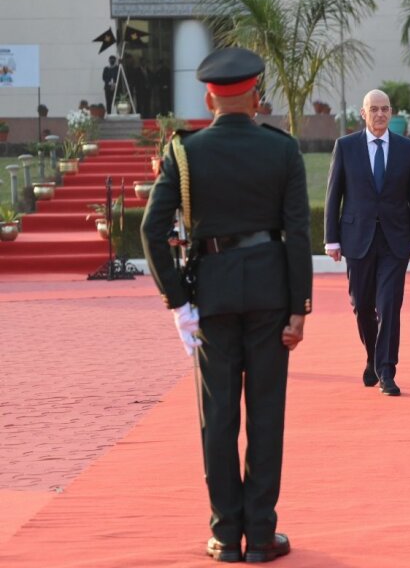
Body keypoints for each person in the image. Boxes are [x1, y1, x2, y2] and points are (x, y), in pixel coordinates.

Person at [140, 46, 312, 563]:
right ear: (256, 95)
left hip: (210, 292)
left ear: (209, 96)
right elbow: (298, 233)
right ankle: (260, 535)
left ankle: (224, 534)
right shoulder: (282, 150)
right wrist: (299, 306)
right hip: (269, 293)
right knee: (266, 413)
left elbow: (151, 229)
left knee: (217, 417)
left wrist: (177, 301)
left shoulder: (185, 152)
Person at [324, 89, 410, 395]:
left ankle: (386, 370)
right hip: (357, 239)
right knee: (362, 307)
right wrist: (332, 238)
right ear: (363, 114)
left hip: (395, 240)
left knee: (390, 306)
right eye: (375, 109)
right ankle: (372, 357)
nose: (381, 114)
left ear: (391, 113)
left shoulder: (407, 149)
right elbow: (334, 195)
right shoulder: (345, 147)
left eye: (385, 109)